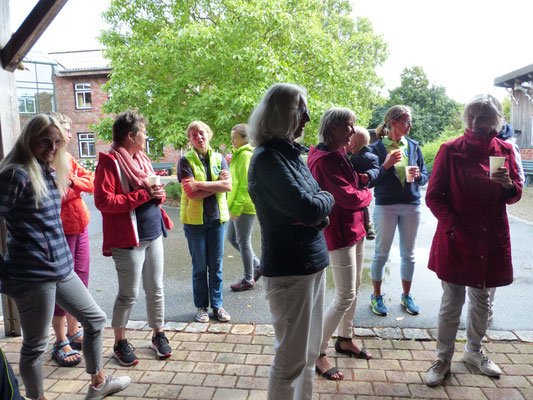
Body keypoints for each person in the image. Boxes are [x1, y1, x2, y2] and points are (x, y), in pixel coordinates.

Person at [0, 114, 130, 400]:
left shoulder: (49, 168)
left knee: (95, 320)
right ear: (29, 139)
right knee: (35, 345)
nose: (52, 146)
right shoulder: (16, 173)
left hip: (60, 268)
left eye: (58, 141)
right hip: (32, 274)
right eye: (45, 140)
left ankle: (98, 383)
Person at [424, 94, 522, 387]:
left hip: (490, 237)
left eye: (483, 117)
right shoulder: (450, 150)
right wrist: (454, 224)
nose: (476, 122)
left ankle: (474, 352)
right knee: (452, 301)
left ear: (495, 121)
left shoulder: (504, 149)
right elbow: (433, 196)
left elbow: (515, 194)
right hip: (456, 237)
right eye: (472, 116)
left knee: (481, 301)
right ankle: (442, 358)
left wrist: (508, 185)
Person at [247, 83, 334, 400]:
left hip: (311, 264)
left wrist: (320, 209)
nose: (308, 118)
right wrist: (321, 205)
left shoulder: (291, 155)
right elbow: (311, 206)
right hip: (289, 271)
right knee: (291, 362)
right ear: (282, 114)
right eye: (302, 110)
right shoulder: (268, 160)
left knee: (310, 355)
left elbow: (316, 206)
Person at [94, 110, 174, 366]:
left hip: (153, 233)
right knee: (129, 294)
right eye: (143, 132)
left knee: (156, 288)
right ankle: (119, 341)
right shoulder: (109, 162)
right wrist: (144, 195)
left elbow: (153, 194)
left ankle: (158, 334)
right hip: (128, 239)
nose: (146, 136)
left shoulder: (141, 158)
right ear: (131, 136)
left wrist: (157, 193)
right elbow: (104, 201)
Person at [308, 108, 373, 382]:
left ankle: (344, 339)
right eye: (348, 126)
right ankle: (316, 353)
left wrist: (361, 187)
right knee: (344, 294)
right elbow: (349, 197)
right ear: (331, 128)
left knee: (354, 289)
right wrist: (368, 192)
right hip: (338, 231)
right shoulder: (323, 160)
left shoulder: (337, 153)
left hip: (354, 228)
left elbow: (353, 185)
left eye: (353, 125)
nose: (352, 131)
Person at [45, 113, 94, 367]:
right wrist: (76, 189)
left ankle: (74, 332)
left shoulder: (68, 159)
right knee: (61, 287)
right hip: (61, 232)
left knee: (80, 283)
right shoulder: (44, 162)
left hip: (81, 227)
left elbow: (91, 182)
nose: (69, 135)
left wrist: (73, 183)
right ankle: (60, 340)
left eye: (69, 130)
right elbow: (53, 197)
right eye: (65, 130)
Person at [368, 105, 428, 316]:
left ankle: (406, 295)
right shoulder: (376, 149)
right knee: (381, 253)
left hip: (412, 205)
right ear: (392, 122)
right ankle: (376, 296)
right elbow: (369, 182)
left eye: (410, 121)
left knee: (408, 255)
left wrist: (419, 175)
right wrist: (385, 166)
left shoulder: (413, 146)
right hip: (386, 206)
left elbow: (425, 176)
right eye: (406, 121)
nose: (410, 125)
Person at [178, 121, 232, 323]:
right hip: (195, 223)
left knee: (216, 266)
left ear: (208, 134)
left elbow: (227, 186)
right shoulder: (185, 161)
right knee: (200, 266)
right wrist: (217, 184)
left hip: (217, 220)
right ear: (190, 140)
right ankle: (201, 307)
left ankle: (217, 305)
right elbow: (191, 192)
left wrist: (201, 184)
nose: (198, 137)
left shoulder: (220, 158)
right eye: (193, 135)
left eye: (201, 133)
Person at [487, 122, 525, 321]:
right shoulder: (459, 148)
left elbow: (519, 187)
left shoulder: (508, 149)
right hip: (470, 220)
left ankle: (489, 307)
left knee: (491, 266)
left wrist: (509, 184)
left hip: (495, 218)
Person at [226, 124, 261, 291]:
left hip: (244, 206)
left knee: (243, 240)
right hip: (236, 205)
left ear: (245, 138)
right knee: (232, 238)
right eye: (231, 137)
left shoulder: (245, 155)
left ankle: (248, 279)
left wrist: (237, 208)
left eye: (235, 137)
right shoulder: (238, 154)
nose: (232, 140)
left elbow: (244, 185)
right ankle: (258, 266)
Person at [345, 126, 380, 240]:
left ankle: (368, 226)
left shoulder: (370, 157)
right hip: (351, 187)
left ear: (352, 144)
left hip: (361, 187)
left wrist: (369, 175)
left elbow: (376, 169)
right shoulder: (347, 156)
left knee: (365, 207)